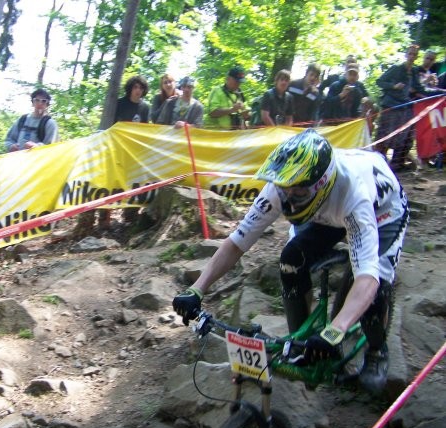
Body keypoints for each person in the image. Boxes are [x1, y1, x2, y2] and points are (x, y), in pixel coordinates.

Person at [173, 129, 409, 393]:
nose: (289, 197)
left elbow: (368, 277)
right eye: (286, 190)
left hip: (383, 212)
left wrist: (335, 331)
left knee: (375, 287)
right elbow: (238, 241)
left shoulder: (353, 194)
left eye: (297, 192)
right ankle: (302, 344)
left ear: (320, 182)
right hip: (328, 213)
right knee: (291, 259)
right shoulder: (282, 185)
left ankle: (377, 351)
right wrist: (197, 288)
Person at [375, 45, 427, 172]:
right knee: (385, 135)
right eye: (410, 53)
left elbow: (419, 88)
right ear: (406, 54)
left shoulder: (414, 71)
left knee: (405, 137)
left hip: (405, 108)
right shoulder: (396, 68)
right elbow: (380, 81)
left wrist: (434, 92)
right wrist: (393, 86)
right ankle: (377, 162)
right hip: (391, 107)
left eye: (414, 54)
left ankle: (396, 165)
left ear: (416, 57)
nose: (412, 56)